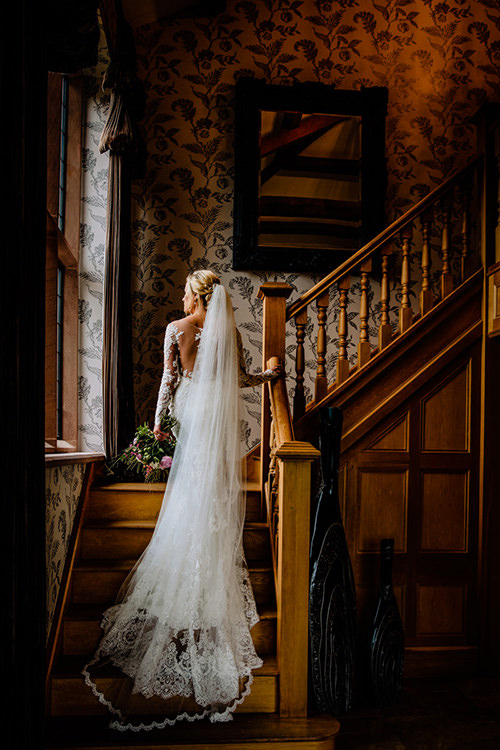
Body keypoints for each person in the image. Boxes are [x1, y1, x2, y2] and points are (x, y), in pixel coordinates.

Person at [82, 270, 281, 731]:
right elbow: (241, 379)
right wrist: (268, 376)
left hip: (193, 411)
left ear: (195, 294)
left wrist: (157, 427)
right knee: (209, 494)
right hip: (216, 415)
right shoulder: (226, 331)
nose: (182, 294)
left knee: (189, 492)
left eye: (186, 289)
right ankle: (207, 576)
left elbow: (168, 383)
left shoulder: (177, 329)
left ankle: (185, 575)